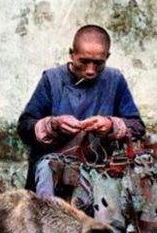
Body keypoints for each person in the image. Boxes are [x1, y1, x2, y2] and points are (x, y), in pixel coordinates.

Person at [17, 25, 145, 198]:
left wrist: (110, 125)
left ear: (107, 57)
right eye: (83, 61)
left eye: (98, 63)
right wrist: (53, 124)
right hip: (54, 171)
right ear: (72, 54)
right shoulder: (52, 79)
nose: (90, 70)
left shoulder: (114, 81)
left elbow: (137, 126)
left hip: (99, 172)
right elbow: (24, 127)